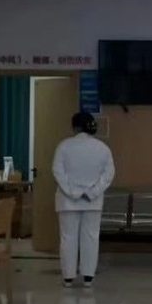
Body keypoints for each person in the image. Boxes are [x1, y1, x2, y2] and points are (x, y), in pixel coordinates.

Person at [52, 111, 115, 288]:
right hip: (93, 202)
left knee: (68, 238)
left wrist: (72, 192)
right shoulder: (103, 148)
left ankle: (68, 277)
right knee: (91, 237)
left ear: (75, 127)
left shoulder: (64, 146)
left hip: (67, 201)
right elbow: (108, 175)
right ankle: (88, 276)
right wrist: (93, 192)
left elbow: (57, 171)